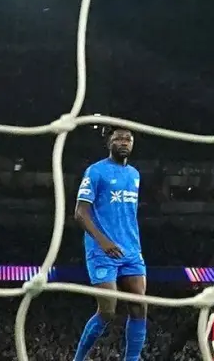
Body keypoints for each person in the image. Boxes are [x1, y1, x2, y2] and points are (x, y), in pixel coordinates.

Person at [71, 127, 148, 361]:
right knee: (107, 311)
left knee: (140, 308)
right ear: (109, 143)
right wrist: (103, 241)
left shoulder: (134, 174)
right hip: (101, 250)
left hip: (131, 251)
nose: (124, 142)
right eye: (118, 139)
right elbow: (80, 213)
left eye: (128, 139)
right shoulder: (96, 171)